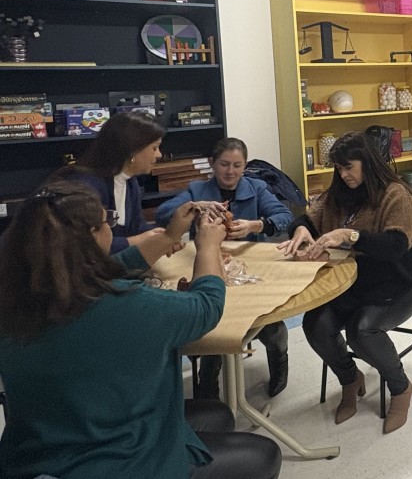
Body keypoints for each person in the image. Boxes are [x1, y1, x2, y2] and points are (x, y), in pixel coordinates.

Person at [0, 181, 282, 478]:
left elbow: (110, 267)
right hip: (118, 463)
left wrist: (170, 236)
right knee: (264, 454)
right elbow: (206, 307)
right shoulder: (127, 305)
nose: (111, 228)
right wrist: (208, 247)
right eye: (107, 222)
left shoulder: (18, 300)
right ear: (90, 238)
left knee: (218, 414)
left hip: (39, 451)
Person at [279, 131, 412, 434]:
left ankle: (400, 387)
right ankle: (350, 379)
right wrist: (301, 229)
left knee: (362, 331)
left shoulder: (395, 194)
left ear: (367, 163)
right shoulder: (338, 194)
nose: (344, 175)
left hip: (400, 282)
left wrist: (350, 235)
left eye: (349, 167)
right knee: (315, 324)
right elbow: (309, 218)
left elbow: (395, 246)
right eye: (339, 168)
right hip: (355, 282)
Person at [157, 137, 295, 399]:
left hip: (249, 267)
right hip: (209, 265)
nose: (230, 171)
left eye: (237, 165)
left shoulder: (257, 187)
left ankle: (279, 360)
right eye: (224, 164)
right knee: (215, 320)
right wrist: (195, 207)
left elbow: (285, 216)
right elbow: (163, 214)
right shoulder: (197, 189)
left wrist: (256, 225)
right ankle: (208, 377)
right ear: (212, 163)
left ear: (245, 166)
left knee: (270, 322)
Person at [58, 110, 165, 253]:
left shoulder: (130, 181)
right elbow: (88, 246)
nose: (159, 154)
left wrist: (164, 236)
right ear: (132, 149)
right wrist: (137, 240)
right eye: (155, 148)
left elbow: (137, 226)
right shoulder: (86, 187)